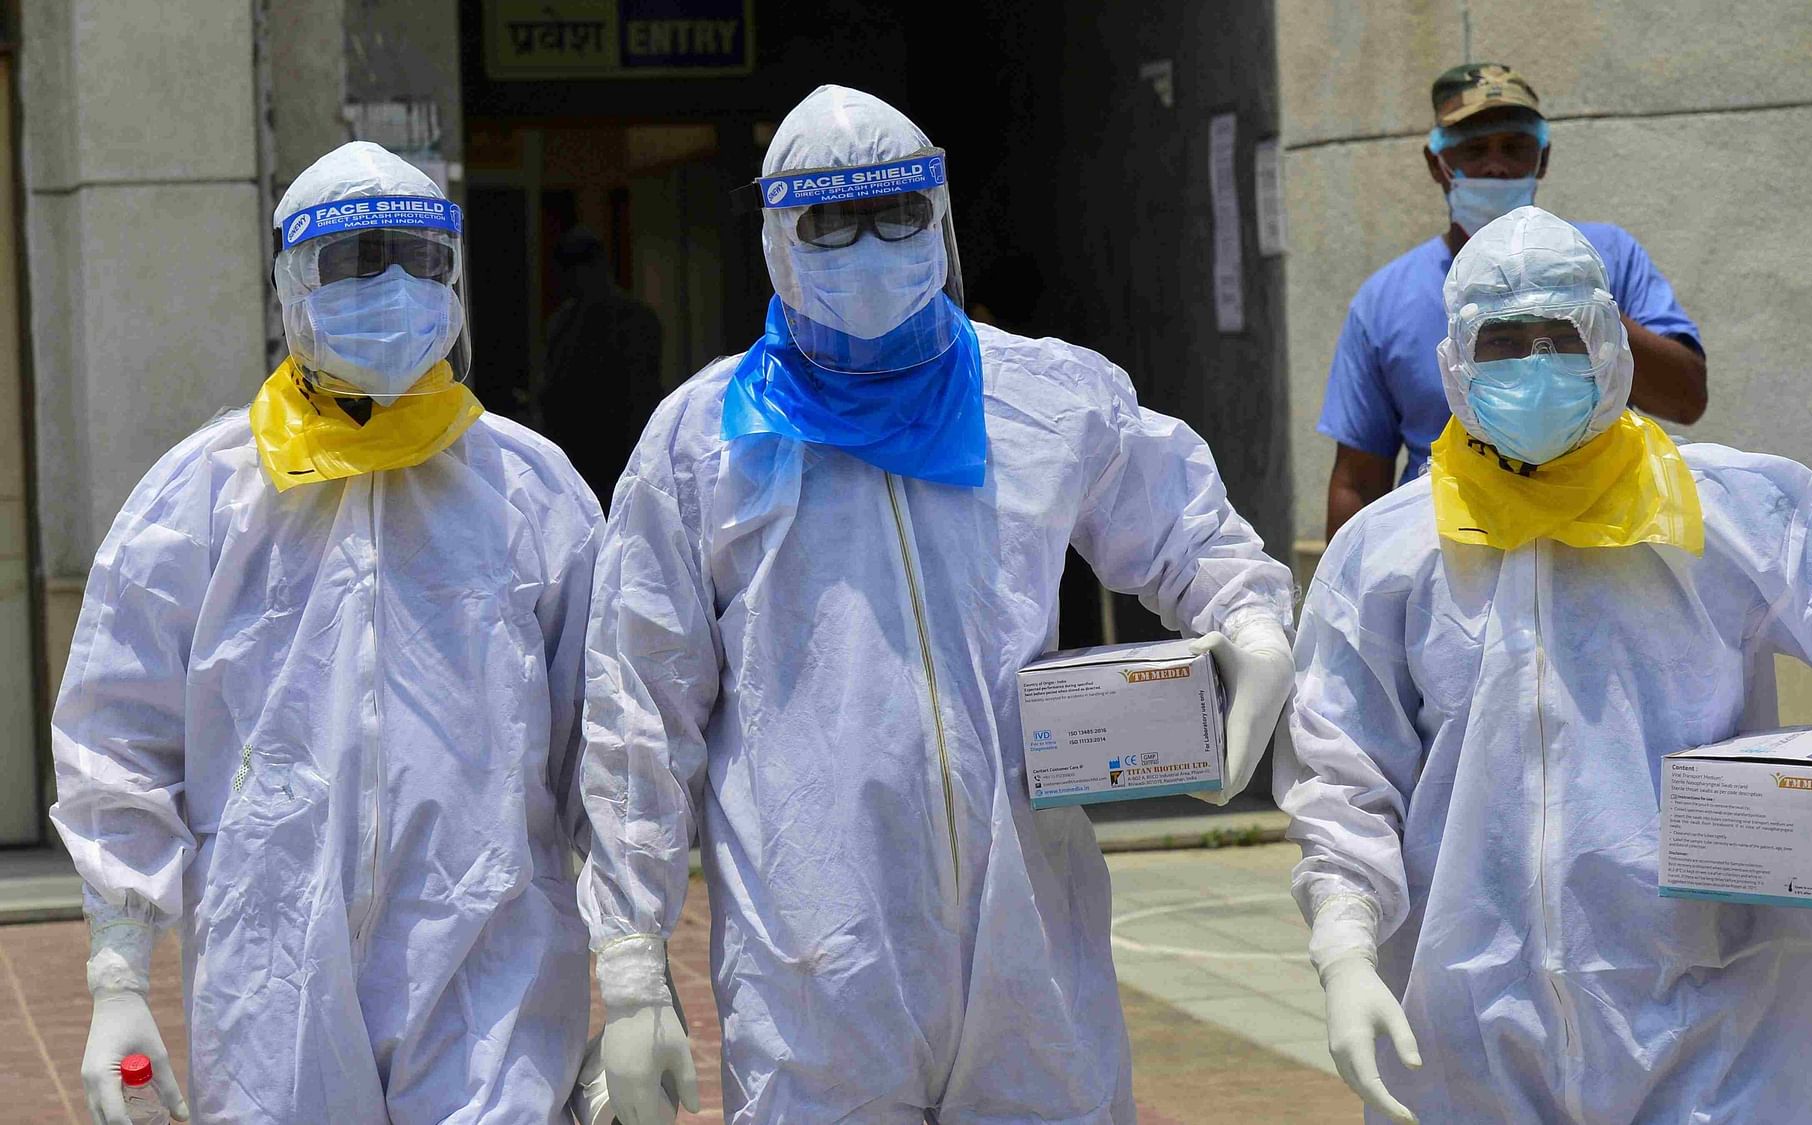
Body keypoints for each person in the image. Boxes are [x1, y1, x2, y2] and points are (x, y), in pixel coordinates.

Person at [576, 85, 1296, 1124]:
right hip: (816, 959)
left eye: (895, 212)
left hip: (1031, 947)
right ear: (777, 237)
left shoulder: (1041, 399)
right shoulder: (704, 444)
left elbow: (1184, 529)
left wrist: (1251, 620)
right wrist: (636, 961)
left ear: (940, 216)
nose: (867, 247)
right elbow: (639, 705)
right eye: (830, 221)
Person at [1277, 206, 1812, 1124]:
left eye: (1558, 336)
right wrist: (1344, 941)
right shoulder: (1389, 551)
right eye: (1503, 340)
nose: (1534, 365)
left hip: (1718, 1023)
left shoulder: (1730, 510)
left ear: (1610, 342)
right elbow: (1343, 772)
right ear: (1454, 361)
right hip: (1469, 1035)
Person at [50, 141, 600, 1123]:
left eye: (415, 260)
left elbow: (606, 744)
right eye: (353, 261)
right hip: (273, 985)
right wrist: (118, 973)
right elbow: (116, 736)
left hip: (494, 971)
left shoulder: (531, 490)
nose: (389, 286)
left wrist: (641, 973)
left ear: (453, 274)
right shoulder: (201, 498)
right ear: (291, 283)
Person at [1319, 62, 1708, 542]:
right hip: (1453, 550)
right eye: (1474, 150)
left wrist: (1584, 306)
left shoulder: (1611, 258)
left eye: (1515, 146)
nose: (1496, 165)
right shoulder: (1384, 300)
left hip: (1603, 537)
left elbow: (1687, 398)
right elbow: (1357, 478)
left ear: (1542, 158)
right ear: (1436, 163)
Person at [539, 225, 666, 511]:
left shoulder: (634, 319)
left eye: (580, 267)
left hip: (623, 453)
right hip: (573, 456)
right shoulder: (563, 322)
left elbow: (644, 391)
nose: (575, 279)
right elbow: (553, 388)